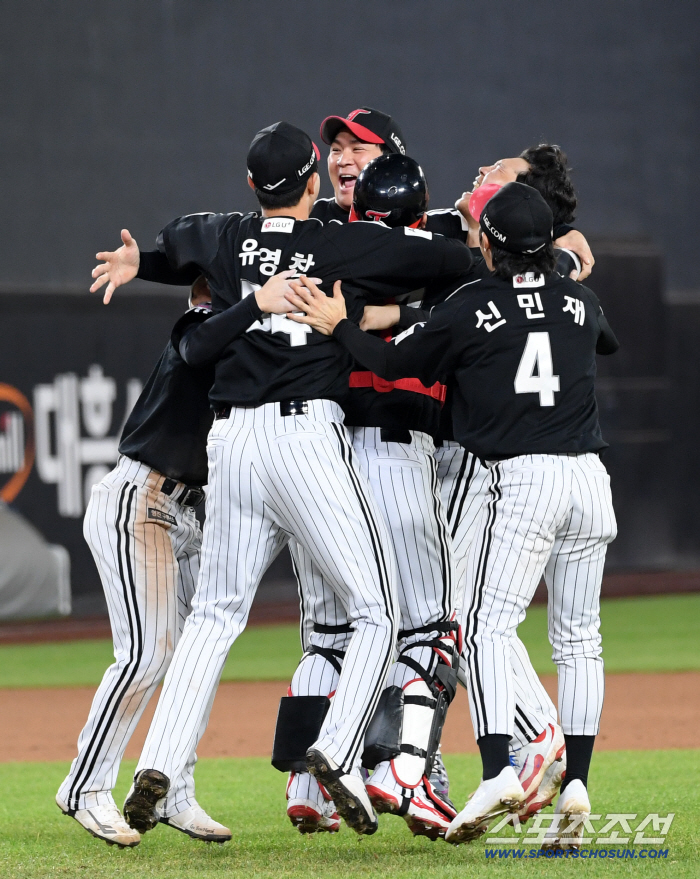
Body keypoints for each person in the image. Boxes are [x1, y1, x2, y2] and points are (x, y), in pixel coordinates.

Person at [95, 121, 476, 838]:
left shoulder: (228, 234)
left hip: (231, 440)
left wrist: (137, 261)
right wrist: (398, 292)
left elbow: (179, 247)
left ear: (250, 185)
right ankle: (334, 748)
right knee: (378, 611)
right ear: (313, 182)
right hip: (305, 438)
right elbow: (451, 261)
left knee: (214, 617)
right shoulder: (341, 241)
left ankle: (162, 761)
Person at [284, 181, 618, 850]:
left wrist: (342, 326)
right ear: (548, 245)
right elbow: (601, 338)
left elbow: (391, 361)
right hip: (591, 478)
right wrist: (567, 275)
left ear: (488, 244)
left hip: (523, 479)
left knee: (484, 626)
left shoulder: (472, 304)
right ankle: (576, 777)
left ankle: (498, 768)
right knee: (580, 639)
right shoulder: (580, 302)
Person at [282, 154, 460, 842]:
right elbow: (477, 236)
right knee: (430, 631)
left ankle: (305, 783)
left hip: (326, 458)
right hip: (395, 451)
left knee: (329, 635)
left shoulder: (326, 246)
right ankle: (403, 772)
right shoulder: (449, 261)